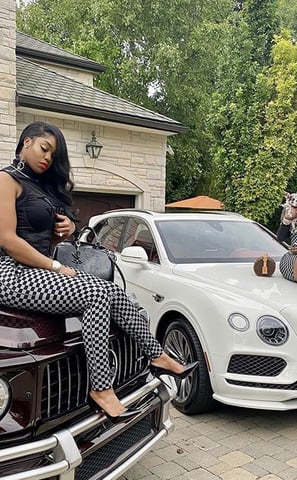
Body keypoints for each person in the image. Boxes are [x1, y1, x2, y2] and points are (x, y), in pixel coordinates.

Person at [0, 121, 198, 424]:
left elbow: (38, 238)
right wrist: (55, 266)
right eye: (44, 149)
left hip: (35, 271)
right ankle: (101, 389)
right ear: (26, 142)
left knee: (113, 291)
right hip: (11, 274)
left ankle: (157, 356)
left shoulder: (39, 187)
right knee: (94, 294)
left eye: (53, 155)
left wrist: (61, 232)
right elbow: (8, 240)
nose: (47, 158)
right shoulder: (6, 179)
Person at [277, 196, 297, 282]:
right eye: (294, 207)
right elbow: (280, 238)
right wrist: (287, 220)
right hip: (291, 259)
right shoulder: (293, 199)